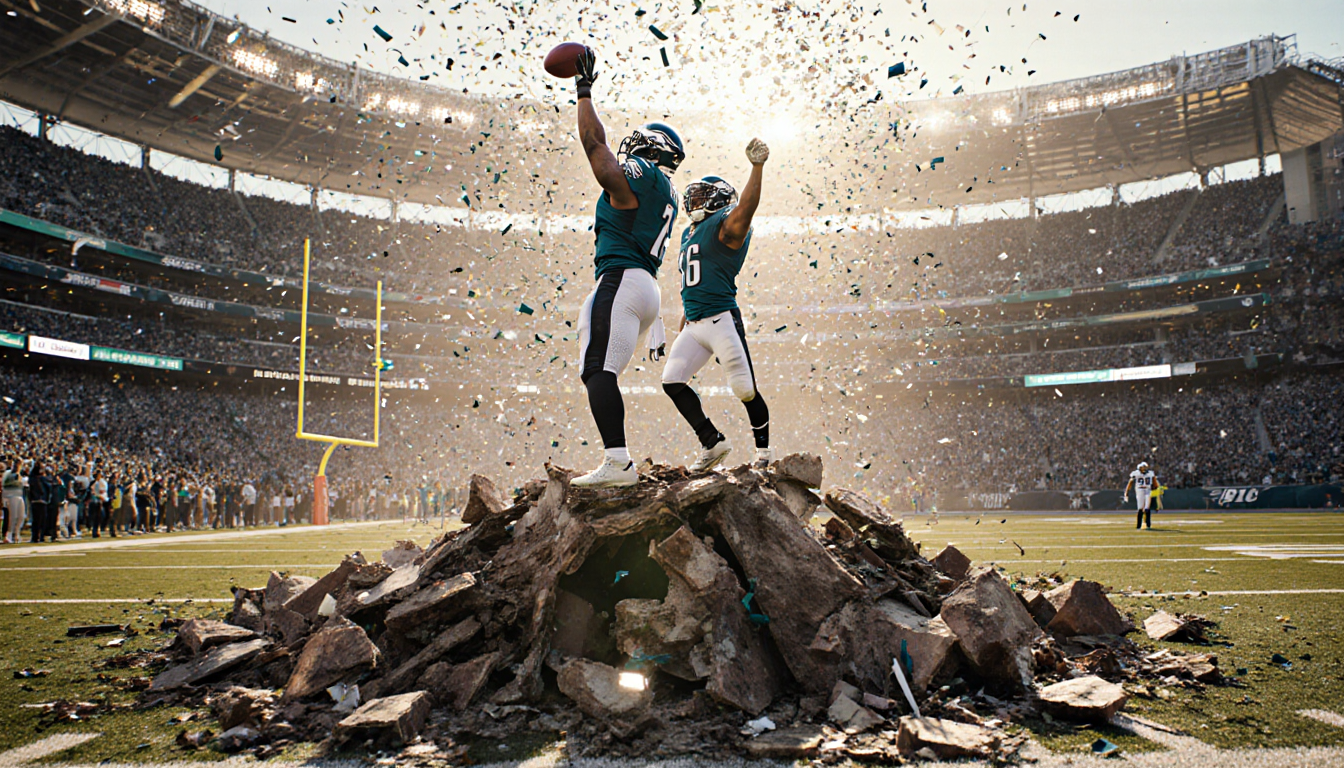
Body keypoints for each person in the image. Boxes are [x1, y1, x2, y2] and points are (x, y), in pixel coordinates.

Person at [569, 45, 685, 488]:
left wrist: (583, 91)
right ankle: (617, 461)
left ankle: (618, 462)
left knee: (598, 369)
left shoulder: (641, 174)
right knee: (599, 367)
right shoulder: (667, 191)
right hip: (641, 284)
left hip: (622, 279)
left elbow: (595, 147)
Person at [661, 139, 773, 471]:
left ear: (721, 200)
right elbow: (695, 279)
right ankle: (713, 443)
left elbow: (747, 209)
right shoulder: (689, 233)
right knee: (672, 381)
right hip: (695, 323)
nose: (694, 200)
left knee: (744, 388)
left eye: (702, 194)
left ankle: (764, 454)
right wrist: (684, 315)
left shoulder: (727, 225)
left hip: (722, 317)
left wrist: (757, 168)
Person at [1124, 461, 1158, 530]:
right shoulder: (1135, 473)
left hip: (1148, 490)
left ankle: (1148, 524)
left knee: (1147, 508)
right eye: (1143, 467)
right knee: (1140, 508)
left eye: (1145, 467)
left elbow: (1155, 483)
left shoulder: (1150, 473)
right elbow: (1130, 482)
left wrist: (1155, 487)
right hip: (1139, 490)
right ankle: (1138, 525)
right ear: (1139, 468)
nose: (1144, 469)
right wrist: (1126, 491)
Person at [2, 459, 26, 544]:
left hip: (19, 495)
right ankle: (9, 534)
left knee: (21, 516)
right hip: (11, 496)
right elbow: (4, 484)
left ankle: (16, 533)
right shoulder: (8, 473)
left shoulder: (20, 474)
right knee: (13, 516)